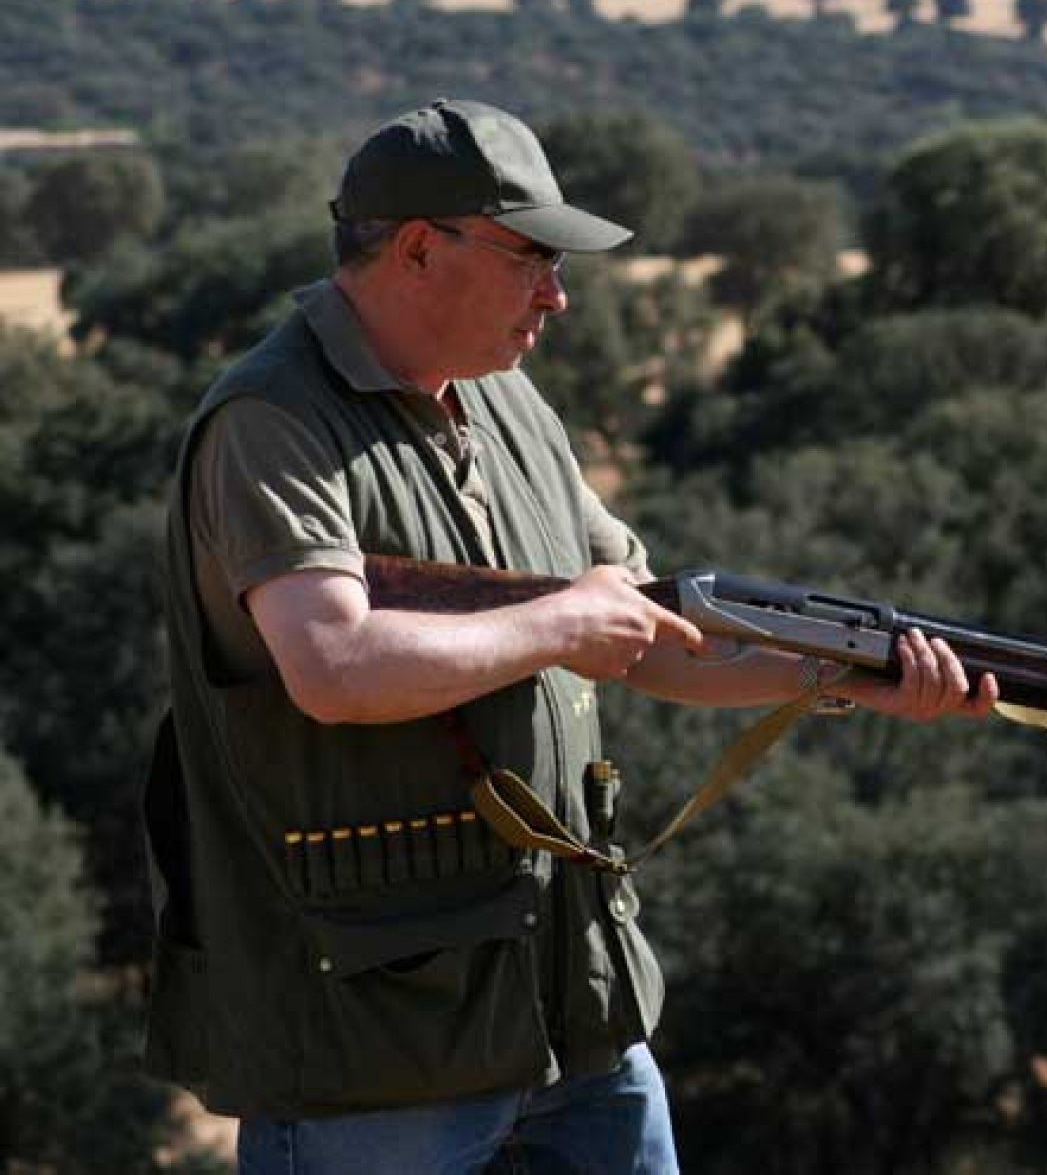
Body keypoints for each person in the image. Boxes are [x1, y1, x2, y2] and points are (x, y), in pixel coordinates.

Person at [142, 98, 999, 1175]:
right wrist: (557, 620)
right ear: (417, 248)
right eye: (529, 258)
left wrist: (836, 676)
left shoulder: (512, 404)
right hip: (375, 1044)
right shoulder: (270, 421)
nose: (556, 294)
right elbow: (333, 666)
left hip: (574, 1003)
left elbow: (645, 634)